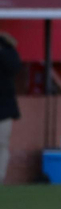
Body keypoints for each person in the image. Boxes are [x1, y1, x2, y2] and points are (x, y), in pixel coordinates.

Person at [0, 30, 17, 181]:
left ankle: (0, 177)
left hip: (3, 107)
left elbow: (14, 67)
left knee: (2, 143)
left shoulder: (7, 49)